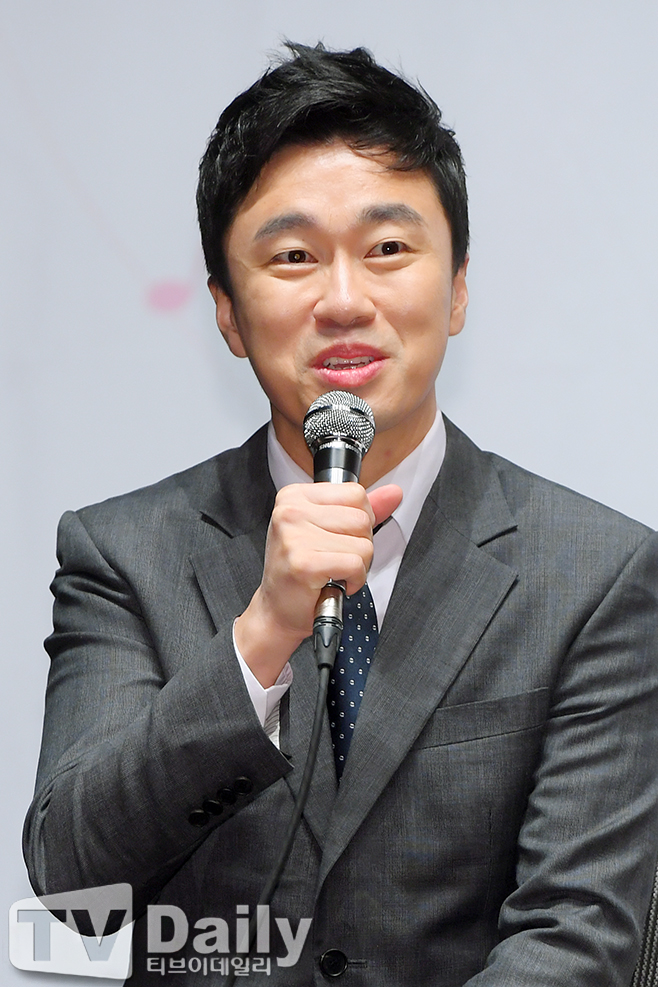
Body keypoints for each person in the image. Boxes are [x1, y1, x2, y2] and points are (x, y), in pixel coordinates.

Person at [23, 42, 658, 986]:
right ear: (227, 313)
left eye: (388, 248)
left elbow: (579, 935)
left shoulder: (598, 572)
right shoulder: (121, 553)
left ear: (459, 287)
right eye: (293, 257)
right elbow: (75, 882)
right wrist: (259, 640)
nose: (345, 300)